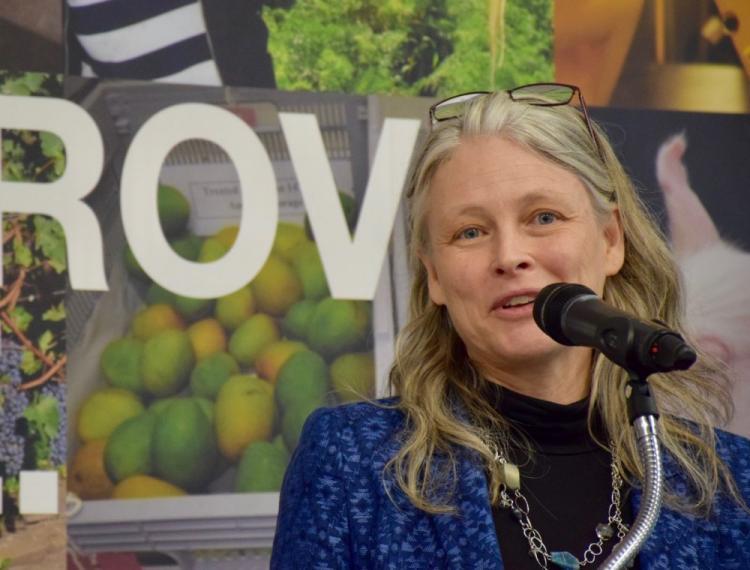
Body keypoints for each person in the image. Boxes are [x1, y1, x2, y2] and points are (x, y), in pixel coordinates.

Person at [270, 85, 750, 569]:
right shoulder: (352, 461)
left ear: (610, 241)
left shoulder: (731, 478)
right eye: (470, 232)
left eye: (544, 217)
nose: (509, 257)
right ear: (434, 273)